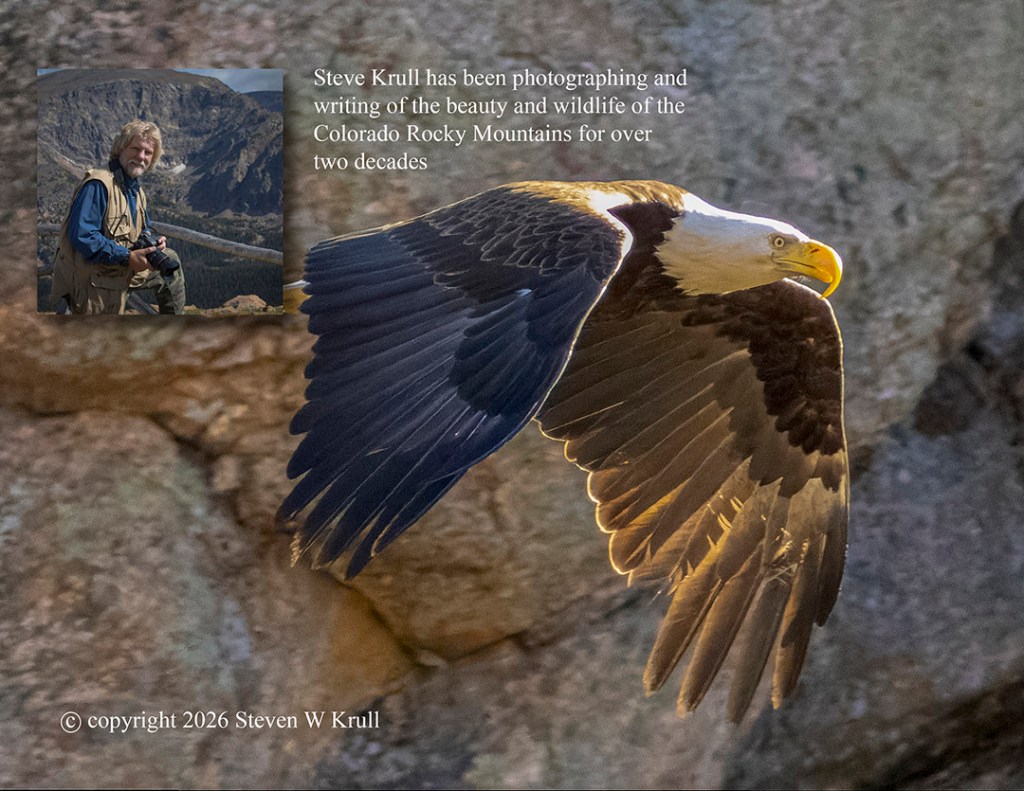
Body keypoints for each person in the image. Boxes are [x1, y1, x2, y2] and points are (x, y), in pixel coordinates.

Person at [50, 120, 186, 314]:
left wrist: (153, 242)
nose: (141, 157)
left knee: (171, 261)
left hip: (119, 268)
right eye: (135, 149)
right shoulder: (98, 184)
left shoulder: (135, 190)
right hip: (93, 278)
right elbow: (83, 235)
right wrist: (128, 257)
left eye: (148, 153)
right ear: (121, 148)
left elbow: (142, 227)